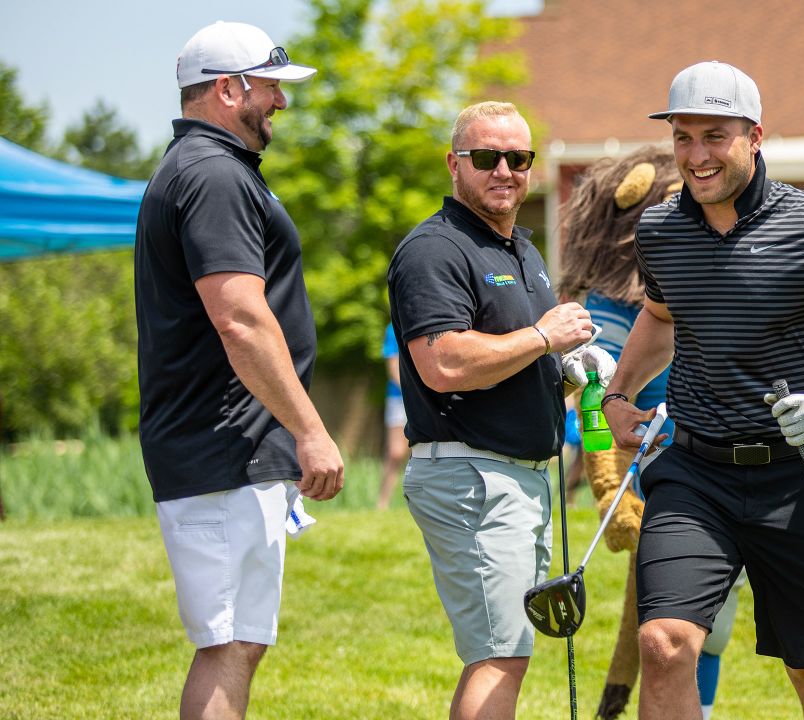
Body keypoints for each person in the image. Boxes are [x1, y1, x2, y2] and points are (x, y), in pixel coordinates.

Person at [601, 61, 804, 720]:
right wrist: (616, 396)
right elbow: (661, 318)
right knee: (664, 645)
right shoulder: (659, 232)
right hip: (693, 473)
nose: (696, 156)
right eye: (683, 138)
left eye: (714, 136)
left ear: (754, 135)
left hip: (796, 478)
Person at [134, 21, 343, 720]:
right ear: (229, 89)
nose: (281, 103)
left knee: (240, 641)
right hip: (222, 446)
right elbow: (241, 319)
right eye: (271, 87)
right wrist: (310, 431)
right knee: (227, 645)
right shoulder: (214, 175)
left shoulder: (205, 170)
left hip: (227, 447)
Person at [386, 100, 613, 720]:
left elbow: (510, 364)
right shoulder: (434, 250)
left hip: (519, 477)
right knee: (499, 653)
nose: (504, 170)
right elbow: (445, 363)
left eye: (519, 158)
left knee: (506, 649)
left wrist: (571, 373)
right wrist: (545, 337)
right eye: (487, 157)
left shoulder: (522, 251)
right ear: (454, 164)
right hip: (473, 477)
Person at [557, 145, 745, 720]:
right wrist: (611, 487)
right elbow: (596, 392)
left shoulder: (710, 284)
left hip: (724, 461)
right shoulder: (613, 303)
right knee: (679, 624)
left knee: (707, 621)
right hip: (662, 473)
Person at [379, 322, 409, 510]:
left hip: (423, 399)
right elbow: (392, 366)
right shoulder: (393, 328)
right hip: (399, 398)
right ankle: (382, 503)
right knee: (396, 452)